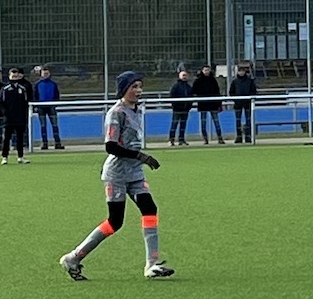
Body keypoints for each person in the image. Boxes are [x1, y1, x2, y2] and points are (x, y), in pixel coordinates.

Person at [59, 70, 175, 281]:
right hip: (117, 174)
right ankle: (73, 258)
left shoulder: (136, 110)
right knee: (115, 221)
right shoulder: (116, 113)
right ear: (124, 90)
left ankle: (152, 264)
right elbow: (111, 146)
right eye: (134, 87)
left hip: (134, 173)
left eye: (140, 86)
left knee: (150, 209)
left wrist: (139, 159)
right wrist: (141, 156)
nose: (139, 90)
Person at [0, 67, 31, 164]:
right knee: (7, 138)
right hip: (9, 118)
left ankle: (20, 156)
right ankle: (4, 157)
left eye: (16, 76)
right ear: (9, 76)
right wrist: (6, 114)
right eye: (13, 76)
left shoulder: (22, 89)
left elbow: (25, 103)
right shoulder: (5, 89)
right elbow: (1, 103)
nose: (15, 78)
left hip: (20, 118)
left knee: (20, 138)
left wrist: (24, 115)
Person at [33, 65, 65, 150]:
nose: (46, 75)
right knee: (43, 126)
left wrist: (55, 103)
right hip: (41, 107)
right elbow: (35, 96)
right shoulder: (37, 84)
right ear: (41, 74)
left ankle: (57, 143)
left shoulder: (53, 84)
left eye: (47, 73)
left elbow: (56, 94)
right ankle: (44, 143)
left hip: (51, 106)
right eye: (44, 73)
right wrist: (36, 106)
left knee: (55, 125)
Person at [192, 64, 225, 144]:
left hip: (213, 105)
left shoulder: (213, 80)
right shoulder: (198, 81)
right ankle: (205, 139)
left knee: (216, 122)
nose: (207, 72)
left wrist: (219, 104)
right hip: (203, 105)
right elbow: (194, 91)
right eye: (205, 70)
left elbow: (217, 92)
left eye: (208, 70)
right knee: (203, 122)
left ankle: (220, 138)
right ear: (202, 71)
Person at [229, 62, 258, 144]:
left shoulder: (250, 81)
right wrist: (236, 100)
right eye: (240, 71)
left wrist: (250, 99)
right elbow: (231, 92)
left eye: (243, 71)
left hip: (247, 104)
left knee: (248, 120)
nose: (241, 73)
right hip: (238, 104)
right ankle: (239, 136)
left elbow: (254, 91)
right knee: (238, 120)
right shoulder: (235, 82)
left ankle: (248, 136)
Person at [168, 67, 194, 146]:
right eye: (183, 75)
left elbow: (191, 97)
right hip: (177, 109)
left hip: (185, 109)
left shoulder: (188, 87)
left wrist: (189, 106)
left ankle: (181, 140)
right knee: (174, 124)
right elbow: (172, 96)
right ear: (179, 76)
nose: (184, 77)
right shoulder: (176, 86)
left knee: (183, 125)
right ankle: (171, 140)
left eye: (185, 75)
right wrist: (175, 106)